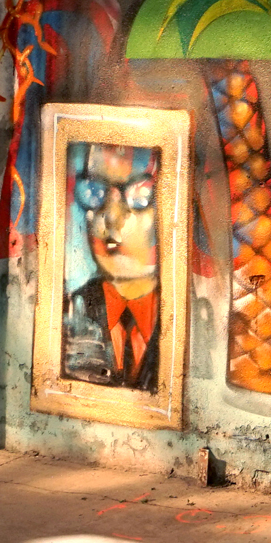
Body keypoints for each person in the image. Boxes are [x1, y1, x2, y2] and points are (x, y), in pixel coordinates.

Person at [61, 143, 161, 390]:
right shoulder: (69, 312)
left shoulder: (195, 323)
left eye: (141, 195)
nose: (112, 217)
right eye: (95, 191)